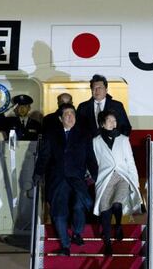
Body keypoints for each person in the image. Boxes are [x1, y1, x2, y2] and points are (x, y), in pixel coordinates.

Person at [33, 103, 98, 256]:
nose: (70, 116)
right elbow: (44, 157)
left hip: (77, 179)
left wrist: (95, 175)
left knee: (78, 207)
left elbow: (90, 157)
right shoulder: (51, 134)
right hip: (58, 179)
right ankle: (65, 245)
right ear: (60, 118)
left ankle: (76, 233)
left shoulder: (84, 134)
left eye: (72, 113)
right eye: (67, 114)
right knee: (59, 213)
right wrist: (37, 174)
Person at [92, 110, 143, 255]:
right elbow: (95, 162)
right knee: (105, 209)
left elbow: (130, 161)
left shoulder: (123, 139)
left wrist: (135, 181)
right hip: (105, 178)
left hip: (122, 176)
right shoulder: (96, 141)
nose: (113, 123)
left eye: (115, 121)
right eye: (110, 120)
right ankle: (108, 243)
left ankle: (119, 225)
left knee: (116, 203)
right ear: (102, 123)